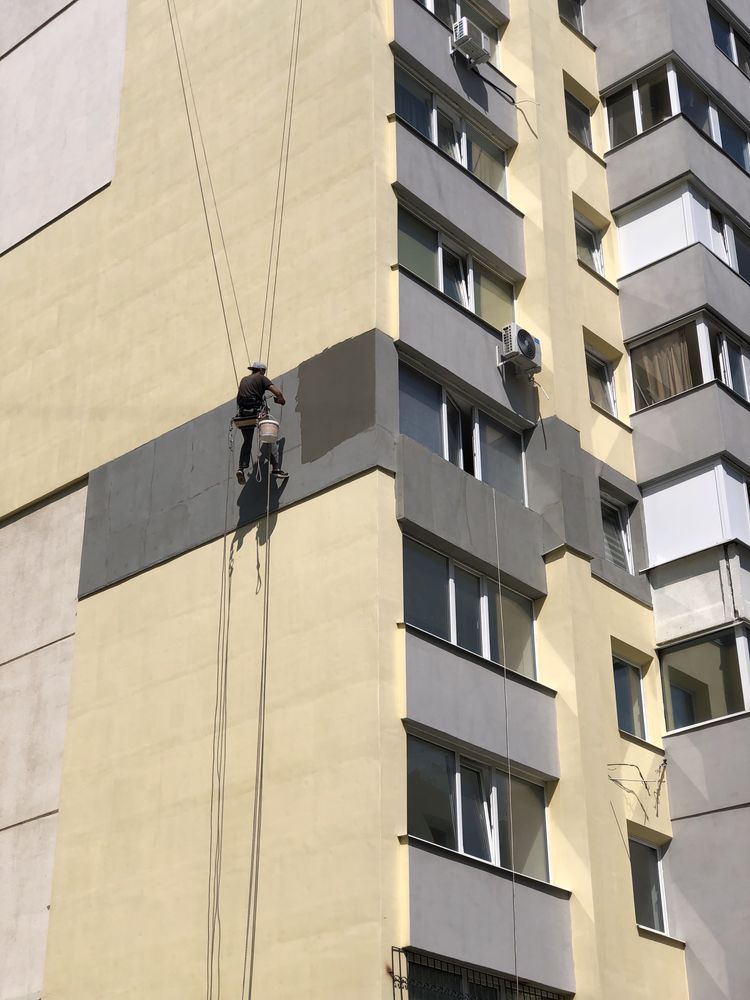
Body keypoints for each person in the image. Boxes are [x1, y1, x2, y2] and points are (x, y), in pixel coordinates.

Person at [235, 362, 288, 484]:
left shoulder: (243, 380)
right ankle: (276, 468)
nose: (264, 373)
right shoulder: (261, 377)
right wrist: (281, 400)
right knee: (270, 437)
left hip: (243, 415)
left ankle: (241, 469)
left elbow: (239, 399)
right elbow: (277, 392)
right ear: (261, 370)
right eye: (264, 371)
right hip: (257, 413)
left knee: (247, 441)